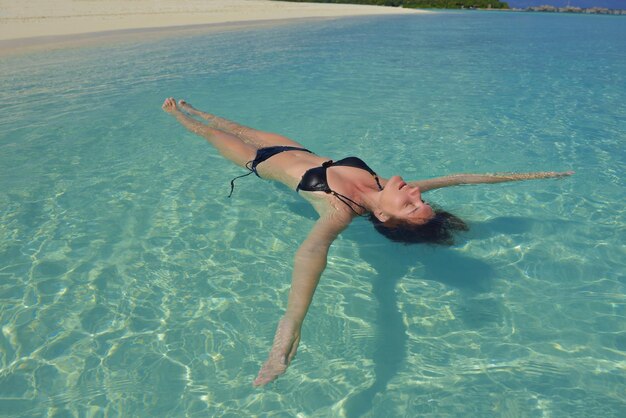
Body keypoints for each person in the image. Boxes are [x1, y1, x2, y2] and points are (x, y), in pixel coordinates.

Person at [161, 97, 573, 387]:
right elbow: (462, 177)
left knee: (205, 133)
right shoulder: (390, 188)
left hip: (258, 163)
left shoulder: (339, 212)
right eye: (420, 200)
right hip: (294, 146)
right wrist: (538, 176)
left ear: (383, 218)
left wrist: (284, 344)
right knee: (226, 121)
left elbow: (310, 256)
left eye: (411, 206)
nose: (415, 194)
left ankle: (181, 117)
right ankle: (193, 106)